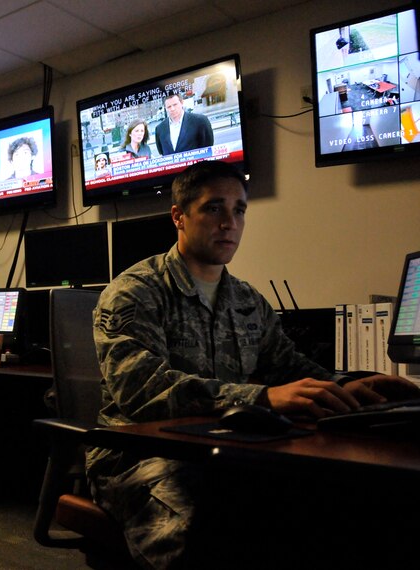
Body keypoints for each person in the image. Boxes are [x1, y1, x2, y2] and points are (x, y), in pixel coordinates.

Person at [86, 161, 420, 568]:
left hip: (226, 447)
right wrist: (262, 397)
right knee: (204, 534)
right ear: (179, 216)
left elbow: (287, 366)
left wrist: (348, 386)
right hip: (140, 456)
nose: (230, 222)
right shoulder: (134, 292)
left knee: (341, 504)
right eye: (214, 208)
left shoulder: (247, 300)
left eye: (239, 210)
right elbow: (142, 391)